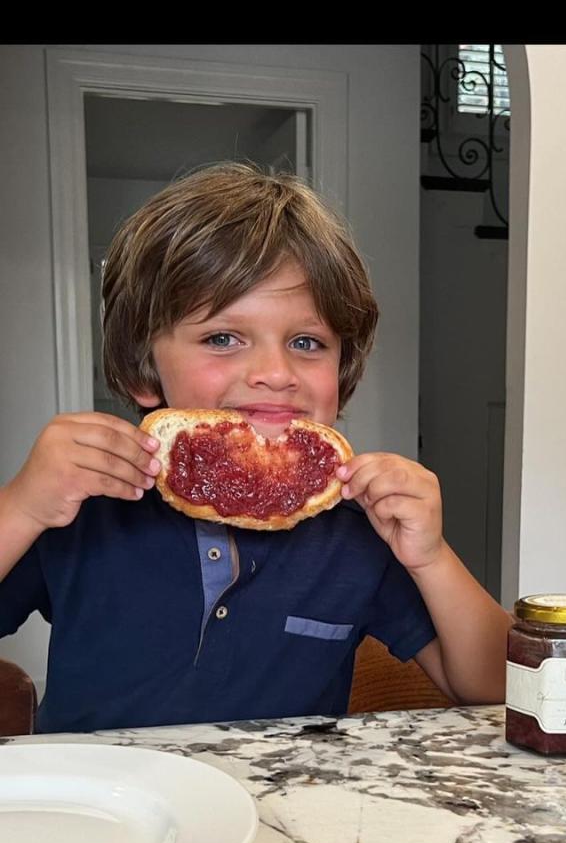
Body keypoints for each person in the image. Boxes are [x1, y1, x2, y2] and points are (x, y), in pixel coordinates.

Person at [0, 163, 510, 732]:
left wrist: (431, 557)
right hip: (103, 808)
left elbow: (492, 686)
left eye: (306, 342)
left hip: (282, 812)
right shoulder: (81, 508)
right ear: (144, 370)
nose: (275, 372)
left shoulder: (356, 534)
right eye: (222, 338)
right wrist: (20, 507)